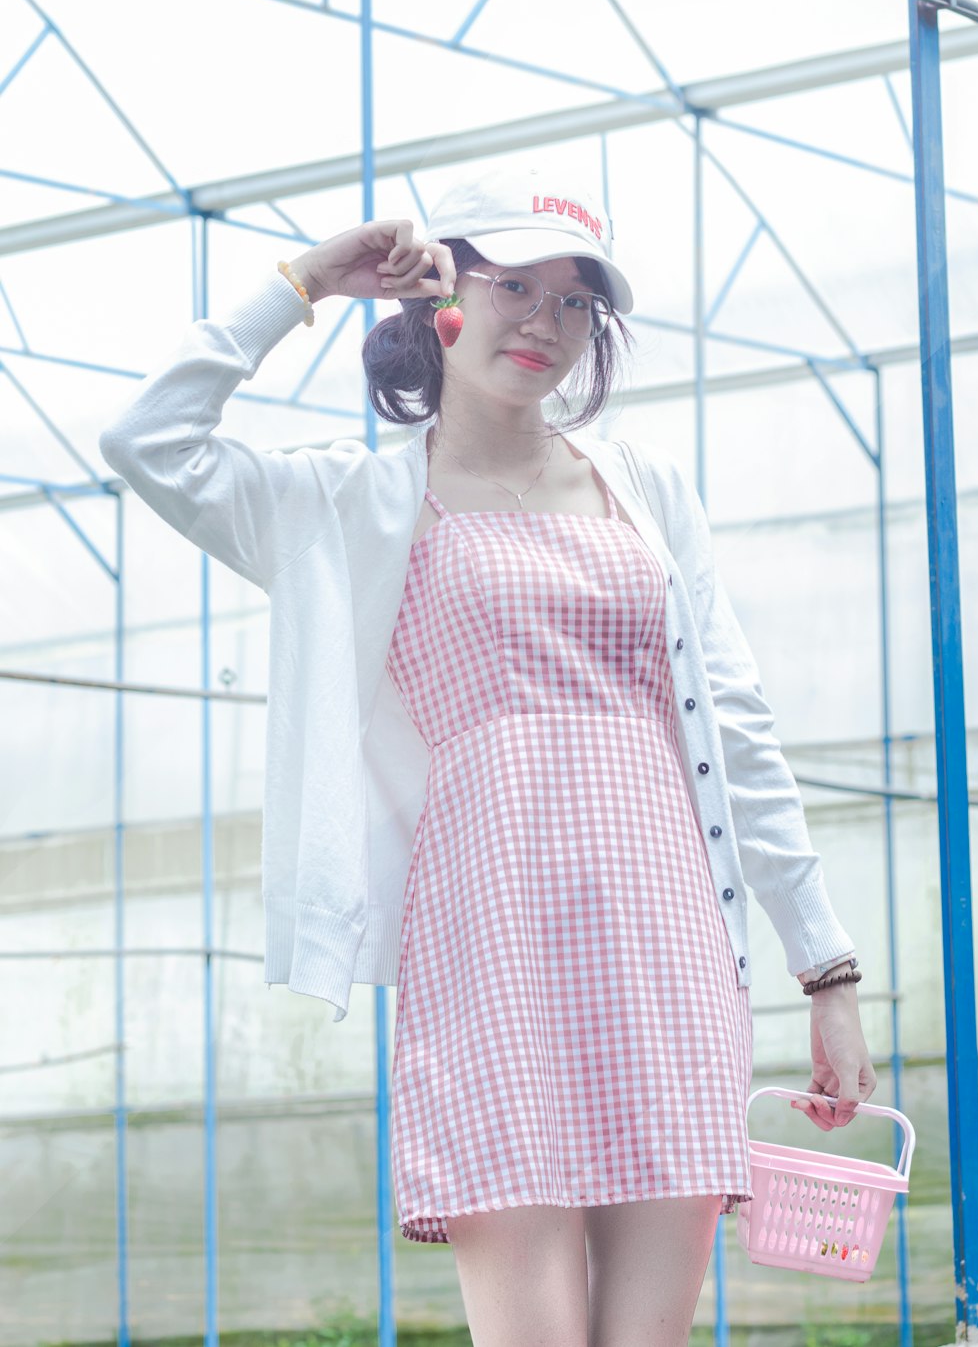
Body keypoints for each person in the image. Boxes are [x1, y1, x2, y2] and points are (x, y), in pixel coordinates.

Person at [98, 162, 876, 1347]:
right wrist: (304, 281)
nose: (546, 324)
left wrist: (826, 976)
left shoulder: (648, 491)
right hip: (487, 944)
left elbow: (739, 731)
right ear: (436, 297)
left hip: (665, 940)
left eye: (575, 302)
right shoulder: (345, 505)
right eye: (514, 285)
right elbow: (145, 438)